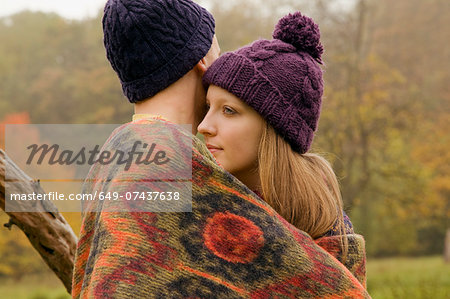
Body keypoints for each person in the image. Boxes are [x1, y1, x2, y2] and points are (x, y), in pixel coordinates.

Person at [72, 0, 370, 298]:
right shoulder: (166, 163)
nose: (206, 126)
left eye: (229, 110)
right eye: (217, 49)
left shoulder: (115, 159)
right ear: (202, 60)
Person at [198, 11, 366, 286]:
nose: (204, 126)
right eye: (208, 107)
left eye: (228, 110)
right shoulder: (198, 203)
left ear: (274, 127)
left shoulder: (327, 231)